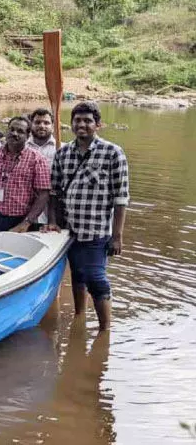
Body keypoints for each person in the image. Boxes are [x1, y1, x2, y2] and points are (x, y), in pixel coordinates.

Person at [43, 102, 129, 331]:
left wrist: (117, 236)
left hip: (97, 230)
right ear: (71, 124)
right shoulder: (63, 153)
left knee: (96, 278)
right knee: (78, 275)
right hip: (68, 230)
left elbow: (121, 198)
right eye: (77, 120)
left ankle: (105, 330)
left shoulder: (112, 153)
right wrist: (52, 221)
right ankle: (79, 318)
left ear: (98, 125)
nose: (81, 124)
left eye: (87, 121)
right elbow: (54, 192)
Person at [0, 117, 50, 235]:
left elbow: (43, 195)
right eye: (12, 129)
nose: (14, 133)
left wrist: (26, 222)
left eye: (20, 131)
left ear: (28, 135)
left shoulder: (37, 159)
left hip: (22, 221)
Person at [27, 108, 59, 228]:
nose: (42, 126)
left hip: (52, 209)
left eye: (46, 123)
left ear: (52, 126)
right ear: (31, 124)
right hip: (25, 206)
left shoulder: (61, 149)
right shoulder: (22, 147)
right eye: (37, 122)